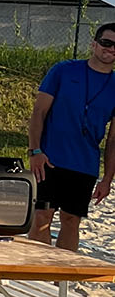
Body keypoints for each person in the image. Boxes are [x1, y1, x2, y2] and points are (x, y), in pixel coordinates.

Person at [27, 23, 115, 251]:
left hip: (84, 165)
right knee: (42, 218)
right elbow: (39, 113)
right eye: (107, 42)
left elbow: (114, 140)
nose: (111, 49)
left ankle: (59, 283)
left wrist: (107, 179)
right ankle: (35, 274)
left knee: (71, 221)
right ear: (94, 44)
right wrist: (35, 151)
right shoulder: (63, 70)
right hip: (49, 159)